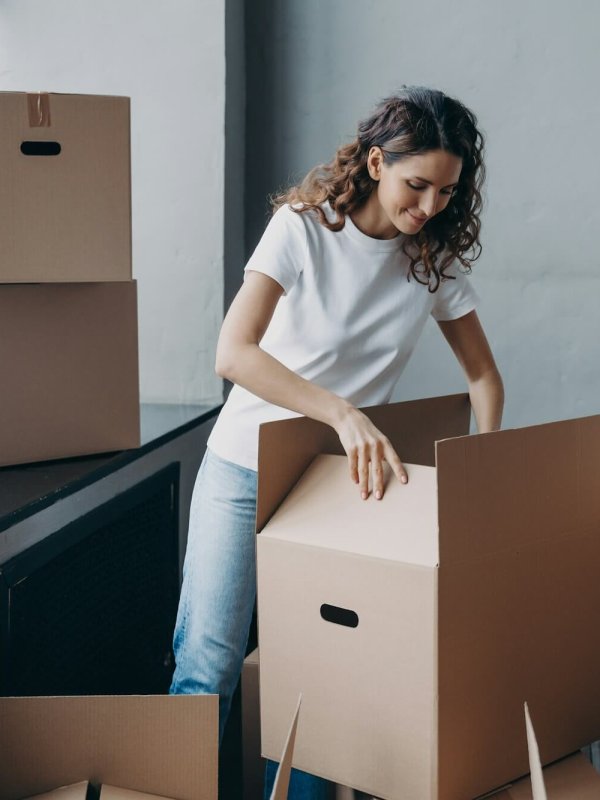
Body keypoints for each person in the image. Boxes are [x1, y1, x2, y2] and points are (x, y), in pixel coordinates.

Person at [169, 85, 504, 799]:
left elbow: (484, 378)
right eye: (418, 186)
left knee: (321, 681)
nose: (430, 206)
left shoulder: (433, 258)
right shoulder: (304, 228)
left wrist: (486, 470)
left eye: (447, 191)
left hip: (335, 490)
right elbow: (233, 353)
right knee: (207, 666)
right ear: (378, 162)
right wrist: (343, 413)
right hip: (242, 466)